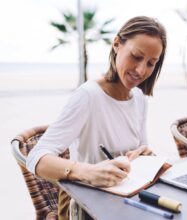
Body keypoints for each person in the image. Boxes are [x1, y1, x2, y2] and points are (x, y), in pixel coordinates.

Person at [26, 16, 167, 219]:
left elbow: (140, 151)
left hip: (125, 198)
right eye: (136, 56)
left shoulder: (139, 98)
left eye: (151, 63)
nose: (141, 70)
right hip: (85, 204)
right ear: (117, 44)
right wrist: (86, 172)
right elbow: (36, 158)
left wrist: (144, 154)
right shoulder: (88, 96)